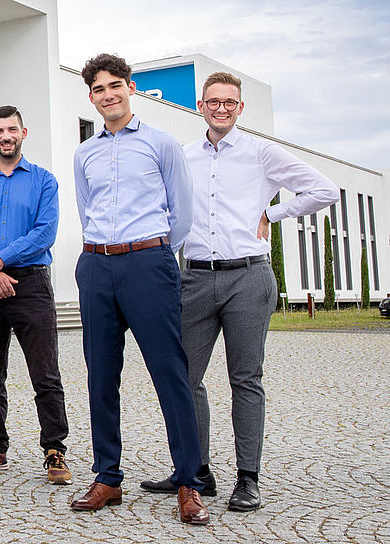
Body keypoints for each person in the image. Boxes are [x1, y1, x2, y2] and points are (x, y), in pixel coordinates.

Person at [140, 72, 338, 512]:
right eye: (214, 101)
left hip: (247, 277)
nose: (222, 108)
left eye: (230, 102)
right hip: (192, 278)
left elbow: (325, 190)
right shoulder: (184, 156)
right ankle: (197, 472)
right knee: (185, 379)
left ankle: (248, 478)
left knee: (245, 378)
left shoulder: (261, 153)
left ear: (240, 108)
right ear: (200, 106)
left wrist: (275, 211)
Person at [69, 53, 208, 525]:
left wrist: (157, 256)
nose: (108, 95)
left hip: (149, 262)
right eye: (99, 90)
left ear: (130, 88)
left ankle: (188, 481)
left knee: (170, 372)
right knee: (100, 376)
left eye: (115, 86)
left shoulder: (161, 143)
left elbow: (181, 212)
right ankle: (108, 476)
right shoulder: (83, 152)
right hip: (96, 264)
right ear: (90, 96)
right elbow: (86, 206)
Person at [0, 106, 71, 485]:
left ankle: (54, 450)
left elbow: (44, 232)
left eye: (12, 129)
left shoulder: (43, 181)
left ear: (24, 132)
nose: (6, 136)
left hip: (31, 285)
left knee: (46, 374)